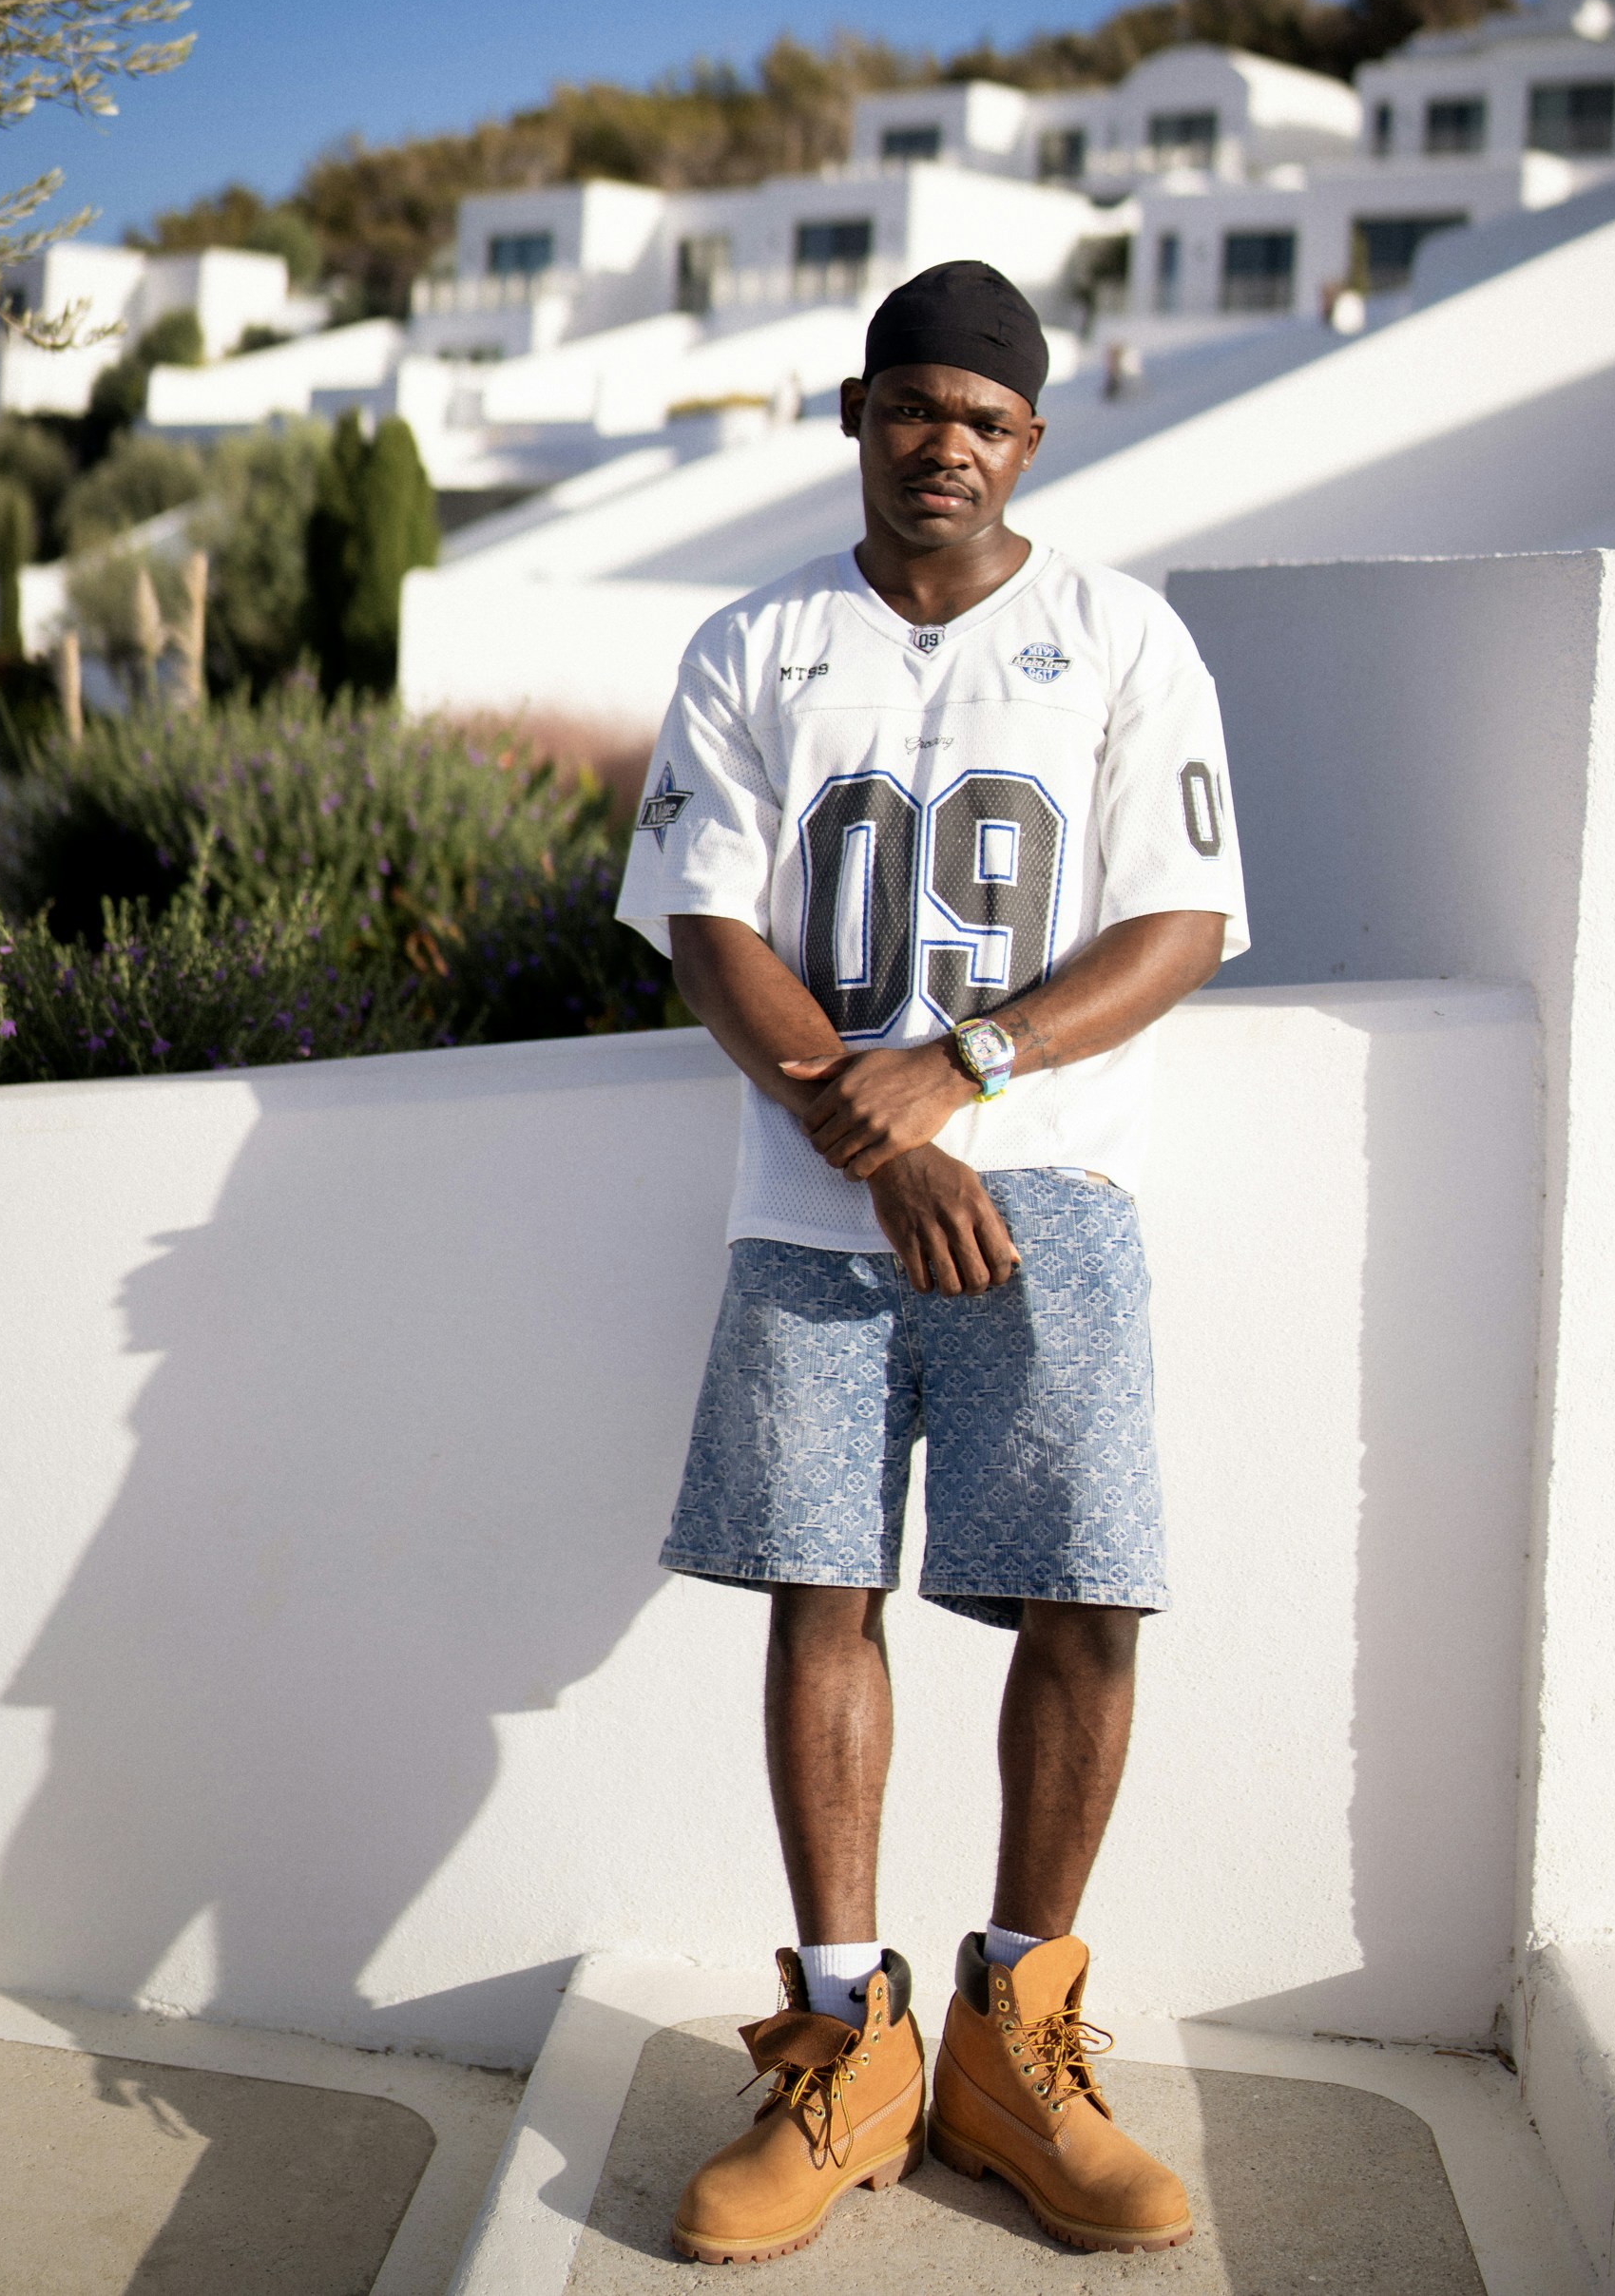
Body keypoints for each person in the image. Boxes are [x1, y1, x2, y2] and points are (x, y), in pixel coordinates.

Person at [616, 259, 1248, 2266]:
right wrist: (874, 1142)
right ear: (855, 414)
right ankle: (842, 2045)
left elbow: (1183, 923)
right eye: (912, 406)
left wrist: (962, 1072)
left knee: (1086, 1596)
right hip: (819, 1200)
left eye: (983, 417)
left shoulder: (1123, 640)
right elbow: (713, 929)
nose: (943, 444)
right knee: (825, 1591)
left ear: (1030, 444)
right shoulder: (755, 640)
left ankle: (1016, 2038)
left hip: (1050, 1188)